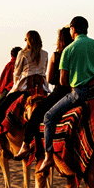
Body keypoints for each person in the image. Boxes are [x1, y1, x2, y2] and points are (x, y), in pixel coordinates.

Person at [37, 16, 94, 173]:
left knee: (48, 117)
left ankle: (48, 156)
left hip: (80, 94)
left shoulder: (68, 51)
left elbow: (63, 81)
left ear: (73, 30)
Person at [14, 27, 73, 160]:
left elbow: (51, 79)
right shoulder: (73, 55)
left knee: (38, 114)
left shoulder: (56, 55)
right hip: (75, 92)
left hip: (59, 93)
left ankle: (27, 144)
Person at [0, 30, 49, 146]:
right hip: (41, 87)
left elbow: (17, 73)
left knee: (2, 107)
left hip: (25, 88)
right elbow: (44, 70)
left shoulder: (23, 53)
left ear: (28, 40)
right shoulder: (45, 54)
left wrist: (14, 87)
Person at [0, 46, 22, 127]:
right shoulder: (23, 65)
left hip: (10, 89)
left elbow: (4, 80)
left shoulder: (10, 65)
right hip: (22, 88)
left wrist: (2, 91)